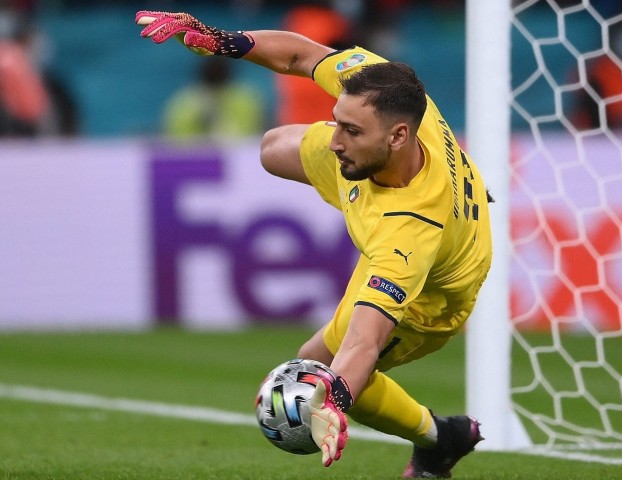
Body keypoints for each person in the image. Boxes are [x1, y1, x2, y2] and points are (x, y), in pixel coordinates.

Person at [136, 10, 492, 478]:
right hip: (399, 196)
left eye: (352, 131)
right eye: (337, 123)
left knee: (319, 370)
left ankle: (440, 438)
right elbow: (303, 55)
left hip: (431, 297)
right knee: (272, 148)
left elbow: (365, 342)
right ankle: (436, 436)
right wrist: (225, 40)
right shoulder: (385, 90)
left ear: (398, 135)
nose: (335, 141)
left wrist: (335, 402)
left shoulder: (406, 235)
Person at [163, 56, 265, 140]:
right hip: (195, 157)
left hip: (236, 156)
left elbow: (252, 134)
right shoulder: (187, 101)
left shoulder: (243, 99)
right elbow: (175, 136)